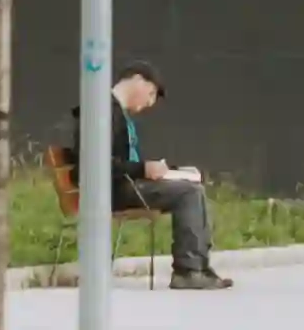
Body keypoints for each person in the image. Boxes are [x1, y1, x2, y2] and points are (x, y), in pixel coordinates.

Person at [64, 61, 230, 286]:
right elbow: (94, 163)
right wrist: (142, 169)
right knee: (188, 193)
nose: (149, 103)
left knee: (192, 187)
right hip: (109, 191)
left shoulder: (114, 113)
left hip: (122, 185)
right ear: (137, 80)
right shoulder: (101, 111)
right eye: (150, 94)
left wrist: (168, 170)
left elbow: (119, 161)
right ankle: (188, 271)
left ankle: (198, 267)